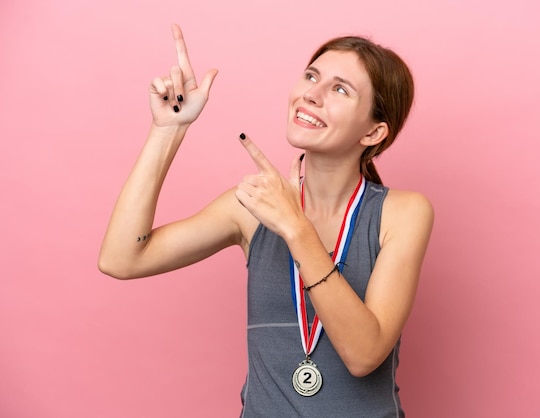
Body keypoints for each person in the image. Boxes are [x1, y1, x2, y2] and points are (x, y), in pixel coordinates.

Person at [98, 24, 434, 417]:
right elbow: (121, 259)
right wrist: (167, 129)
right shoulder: (250, 207)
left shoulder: (402, 212)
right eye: (312, 76)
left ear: (374, 131)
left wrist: (296, 228)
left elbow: (364, 354)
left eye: (340, 89)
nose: (311, 93)